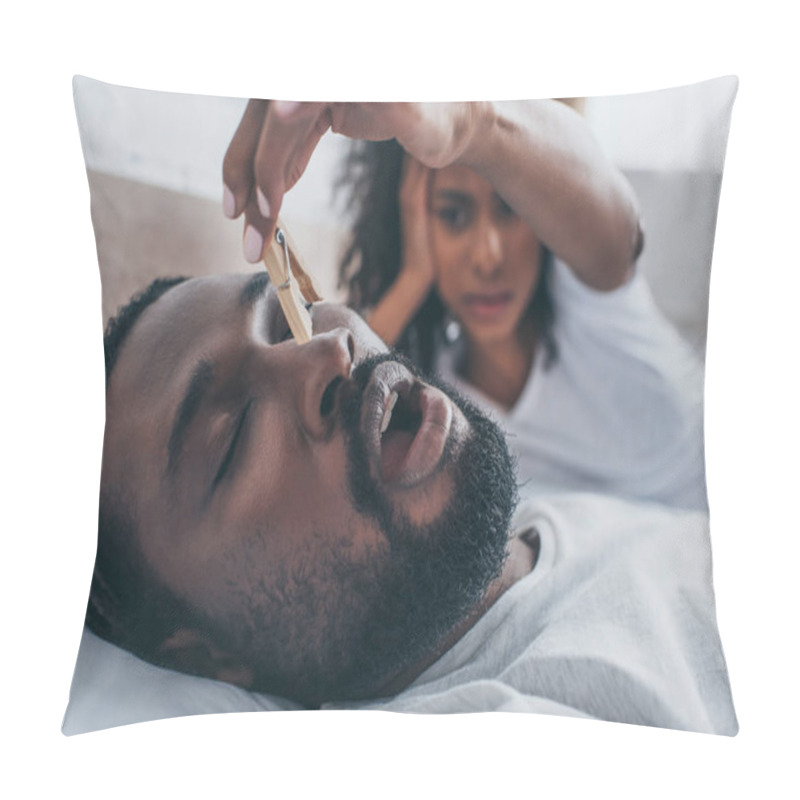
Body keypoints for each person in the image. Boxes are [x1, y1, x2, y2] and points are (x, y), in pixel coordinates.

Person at [68, 272, 736, 735]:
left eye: (287, 311)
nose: (326, 352)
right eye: (234, 436)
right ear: (204, 658)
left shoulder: (589, 487)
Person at [222, 100, 707, 510]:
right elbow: (338, 418)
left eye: (510, 210)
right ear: (411, 222)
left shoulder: (596, 306)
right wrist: (412, 278)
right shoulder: (437, 402)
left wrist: (470, 125)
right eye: (453, 215)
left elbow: (611, 223)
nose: (487, 256)